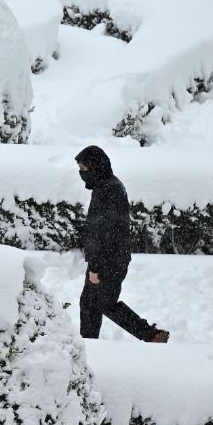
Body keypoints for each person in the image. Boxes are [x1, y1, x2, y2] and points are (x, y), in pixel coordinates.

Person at [75, 145, 169, 343]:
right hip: (111, 257)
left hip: (109, 260)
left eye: (84, 168)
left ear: (96, 166)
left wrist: (96, 266)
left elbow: (108, 232)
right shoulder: (105, 186)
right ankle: (89, 343)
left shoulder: (109, 189)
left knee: (104, 304)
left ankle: (150, 335)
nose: (82, 173)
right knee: (92, 304)